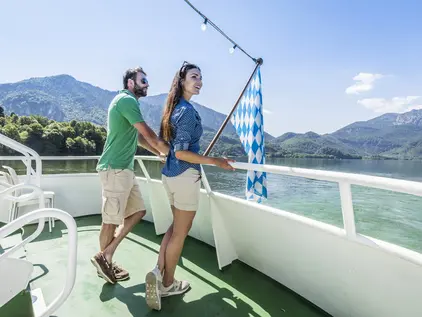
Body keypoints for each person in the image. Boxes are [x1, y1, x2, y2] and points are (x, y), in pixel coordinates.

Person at [144, 62, 235, 310]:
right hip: (184, 176)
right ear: (182, 81)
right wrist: (215, 161)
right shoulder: (185, 111)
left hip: (170, 175)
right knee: (180, 232)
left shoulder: (173, 110)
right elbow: (182, 153)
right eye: (194, 76)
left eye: (201, 77)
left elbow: (173, 150)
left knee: (175, 228)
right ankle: (168, 283)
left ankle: (158, 270)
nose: (199, 81)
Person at [91, 66, 169, 284]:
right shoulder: (126, 100)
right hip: (115, 169)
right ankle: (104, 265)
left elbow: (140, 139)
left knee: (138, 212)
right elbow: (149, 134)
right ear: (130, 83)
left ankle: (105, 256)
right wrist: (172, 154)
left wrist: (159, 154)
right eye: (143, 80)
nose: (147, 84)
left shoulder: (129, 105)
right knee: (110, 221)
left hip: (125, 170)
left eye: (147, 81)